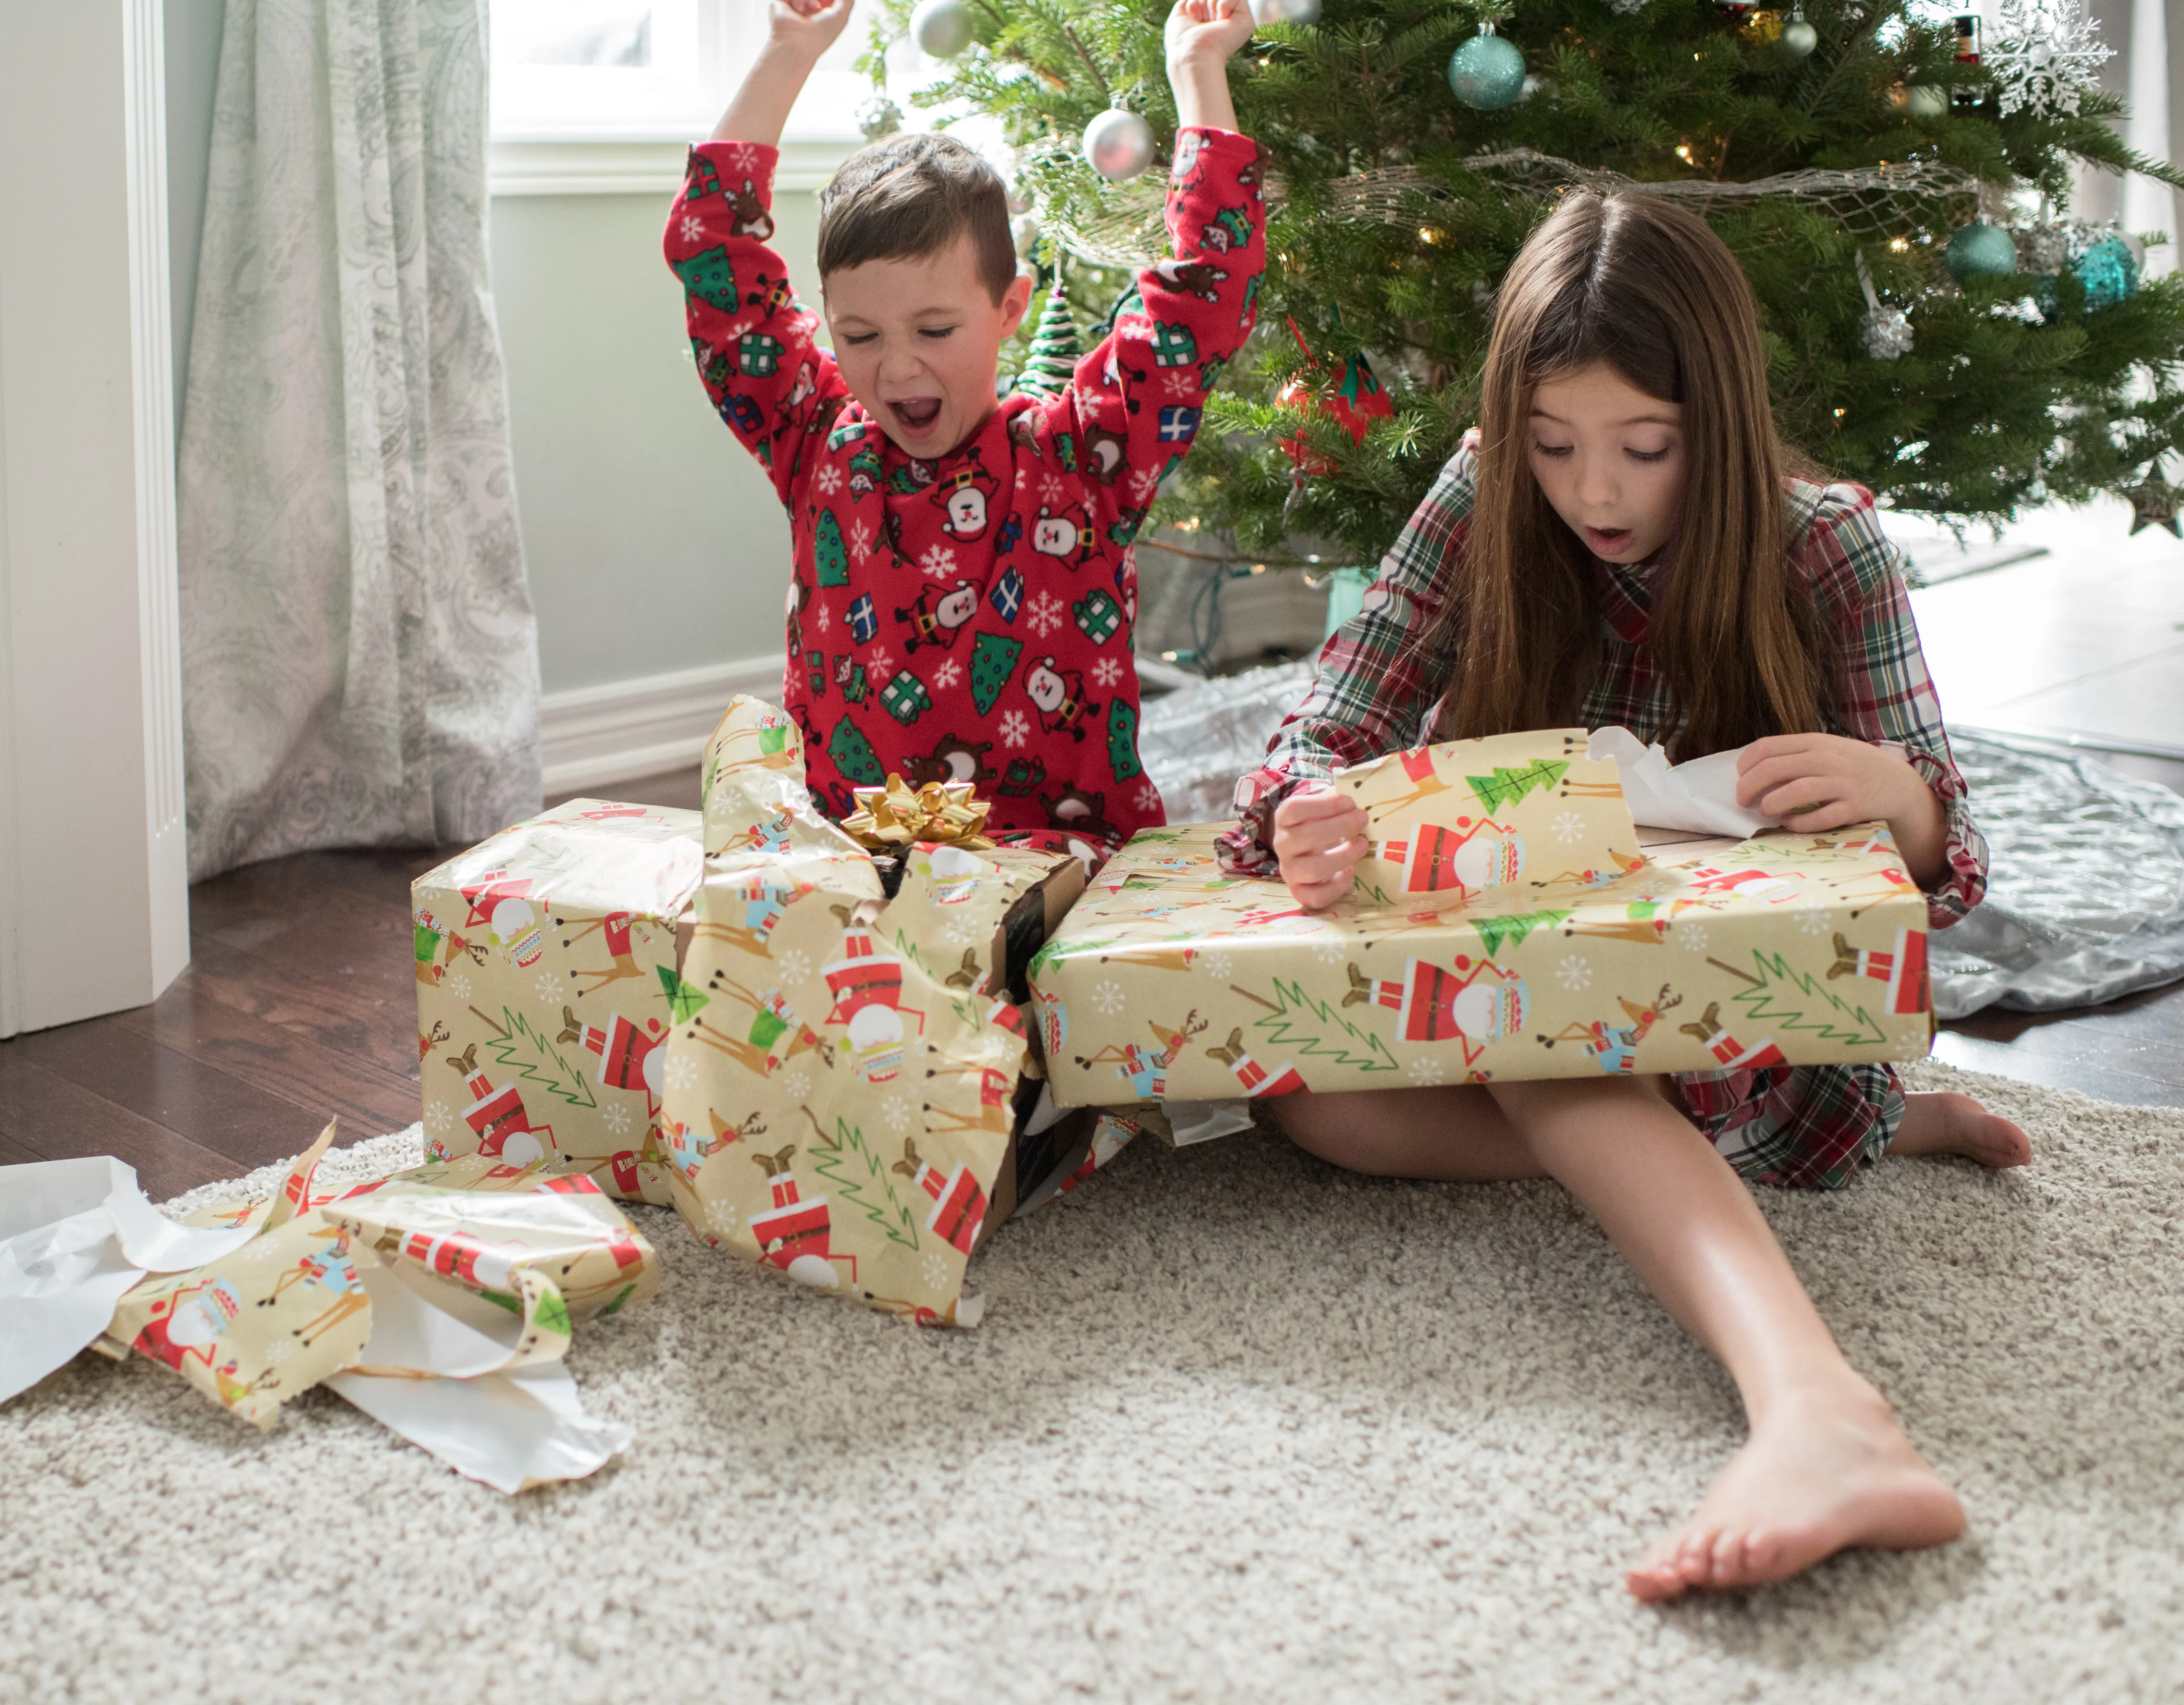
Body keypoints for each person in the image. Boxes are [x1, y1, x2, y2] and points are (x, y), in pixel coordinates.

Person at [1214, 189, 2033, 1601]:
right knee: (1307, 1098)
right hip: (1561, 994)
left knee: (1547, 1038)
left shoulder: (1823, 544)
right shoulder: (1482, 501)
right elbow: (1324, 721)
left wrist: (1894, 796)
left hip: (1756, 1025)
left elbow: (1938, 868)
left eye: (1643, 448)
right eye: (1553, 446)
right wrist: (1307, 809)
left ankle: (1818, 1407)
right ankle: (1849, 1144)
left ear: (1710, 422)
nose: (1593, 492)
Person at [666, 0, 1268, 857]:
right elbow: (714, 258)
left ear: (1009, 309)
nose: (898, 369)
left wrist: (1197, 71)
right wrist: (785, 55)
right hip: (857, 860)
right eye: (860, 336)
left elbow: (1209, 286)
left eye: (935, 331)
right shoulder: (815, 441)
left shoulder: (1083, 457)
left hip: (1060, 873)